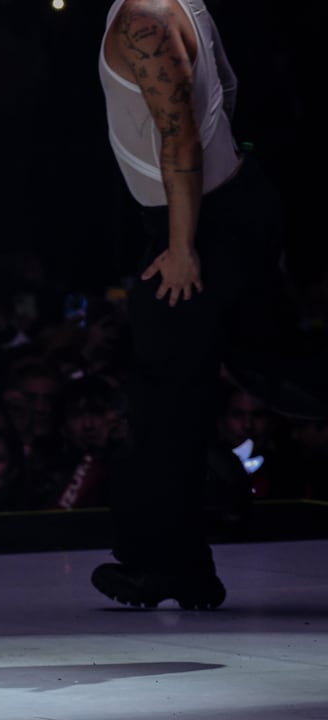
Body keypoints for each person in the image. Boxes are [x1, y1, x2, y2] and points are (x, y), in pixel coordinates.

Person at [94, 0, 314, 609]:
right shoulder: (178, 3)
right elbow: (226, 88)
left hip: (195, 223)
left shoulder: (141, 21)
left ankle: (167, 567)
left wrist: (184, 244)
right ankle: (170, 563)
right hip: (230, 204)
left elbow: (179, 133)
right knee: (276, 367)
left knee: (165, 397)